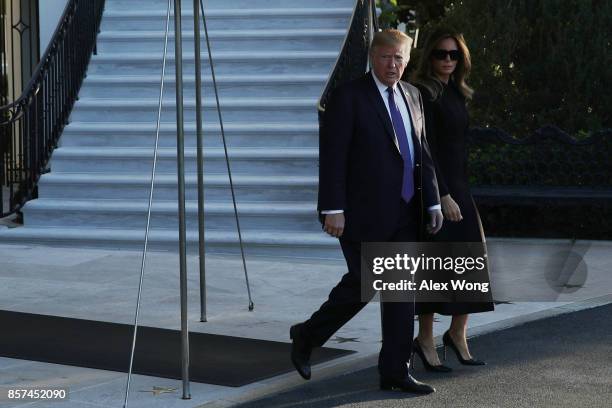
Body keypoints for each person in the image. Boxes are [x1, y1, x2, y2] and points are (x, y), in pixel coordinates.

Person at [289, 29, 443, 394]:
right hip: (361, 212)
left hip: (408, 210)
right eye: (387, 57)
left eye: (400, 59)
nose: (393, 65)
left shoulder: (413, 95)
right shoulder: (349, 97)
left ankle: (395, 371)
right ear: (374, 57)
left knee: (400, 291)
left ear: (408, 60)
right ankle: (308, 335)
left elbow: (421, 151)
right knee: (362, 283)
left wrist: (433, 200)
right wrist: (332, 208)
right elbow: (333, 157)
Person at [410, 27, 494, 372]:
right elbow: (424, 148)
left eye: (454, 54)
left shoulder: (458, 92)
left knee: (472, 262)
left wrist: (462, 194)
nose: (447, 60)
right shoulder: (422, 93)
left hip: (461, 186)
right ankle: (425, 339)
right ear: (428, 56)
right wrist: (441, 194)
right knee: (434, 265)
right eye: (441, 54)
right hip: (436, 189)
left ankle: (458, 333)